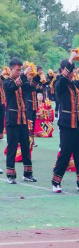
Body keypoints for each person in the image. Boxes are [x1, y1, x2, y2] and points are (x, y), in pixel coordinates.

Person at [3, 58, 36, 184]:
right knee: (12, 148)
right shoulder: (7, 83)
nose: (19, 72)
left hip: (23, 120)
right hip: (12, 121)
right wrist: (24, 74)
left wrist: (37, 76)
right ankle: (10, 175)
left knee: (26, 147)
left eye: (20, 70)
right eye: (17, 70)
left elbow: (31, 87)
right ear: (10, 69)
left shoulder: (21, 82)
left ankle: (28, 174)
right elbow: (13, 87)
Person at [51, 57, 78, 193]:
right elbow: (63, 79)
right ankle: (56, 181)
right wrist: (71, 58)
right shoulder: (59, 84)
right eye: (69, 70)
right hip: (66, 124)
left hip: (77, 123)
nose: (72, 73)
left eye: (73, 71)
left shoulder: (75, 85)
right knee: (65, 153)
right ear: (63, 70)